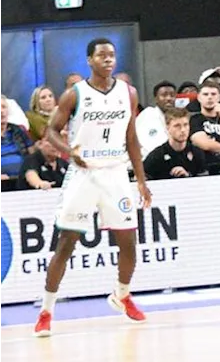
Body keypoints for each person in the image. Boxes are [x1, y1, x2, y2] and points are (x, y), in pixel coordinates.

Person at [32, 39, 152, 336]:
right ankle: (46, 310)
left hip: (115, 173)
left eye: (111, 55)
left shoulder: (129, 93)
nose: (108, 60)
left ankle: (122, 295)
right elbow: (52, 131)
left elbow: (131, 138)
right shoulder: (74, 94)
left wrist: (141, 179)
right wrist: (68, 151)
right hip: (83, 175)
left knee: (128, 242)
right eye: (102, 55)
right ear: (89, 60)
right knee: (66, 243)